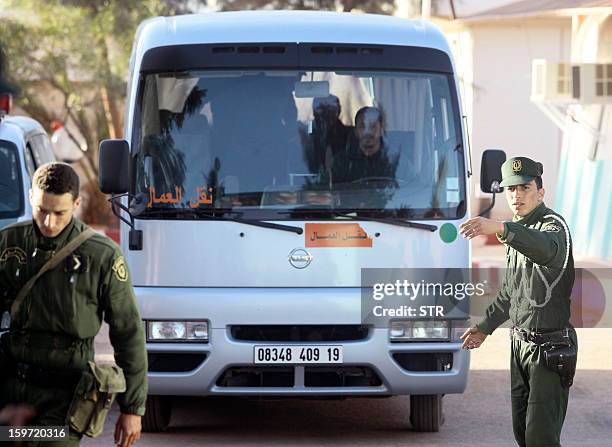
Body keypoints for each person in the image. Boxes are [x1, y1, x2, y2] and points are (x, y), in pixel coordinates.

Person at [0, 162, 147, 447]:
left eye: (60, 213)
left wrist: (132, 408)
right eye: (42, 211)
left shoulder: (101, 256)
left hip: (65, 398)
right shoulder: (8, 244)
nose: (49, 222)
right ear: (31, 197)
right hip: (12, 389)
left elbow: (128, 334)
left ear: (77, 204)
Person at [459, 156, 577, 447]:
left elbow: (546, 250)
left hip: (550, 348)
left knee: (541, 438)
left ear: (541, 192)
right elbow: (511, 291)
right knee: (522, 434)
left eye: (524, 187)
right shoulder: (516, 231)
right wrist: (484, 326)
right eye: (510, 189)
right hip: (520, 346)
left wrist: (501, 229)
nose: (516, 195)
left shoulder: (553, 226)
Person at [332, 106, 399, 185]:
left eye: (373, 126)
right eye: (362, 126)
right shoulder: (341, 162)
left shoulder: (395, 159)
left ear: (381, 130)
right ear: (356, 131)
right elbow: (328, 190)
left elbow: (413, 187)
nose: (367, 132)